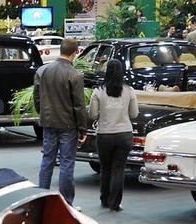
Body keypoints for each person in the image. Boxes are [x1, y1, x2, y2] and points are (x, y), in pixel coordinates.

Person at [33, 38, 88, 206]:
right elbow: (79, 105)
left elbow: (37, 98)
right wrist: (83, 129)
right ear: (75, 52)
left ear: (61, 50)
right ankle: (66, 204)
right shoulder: (75, 75)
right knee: (66, 163)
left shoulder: (42, 71)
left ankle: (41, 199)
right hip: (68, 125)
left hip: (48, 122)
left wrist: (43, 113)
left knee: (47, 160)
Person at [88, 59, 137, 212]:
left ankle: (104, 199)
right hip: (124, 134)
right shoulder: (129, 90)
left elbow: (92, 114)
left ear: (106, 72)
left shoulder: (98, 91)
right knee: (118, 169)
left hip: (104, 134)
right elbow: (134, 114)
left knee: (105, 168)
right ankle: (115, 204)